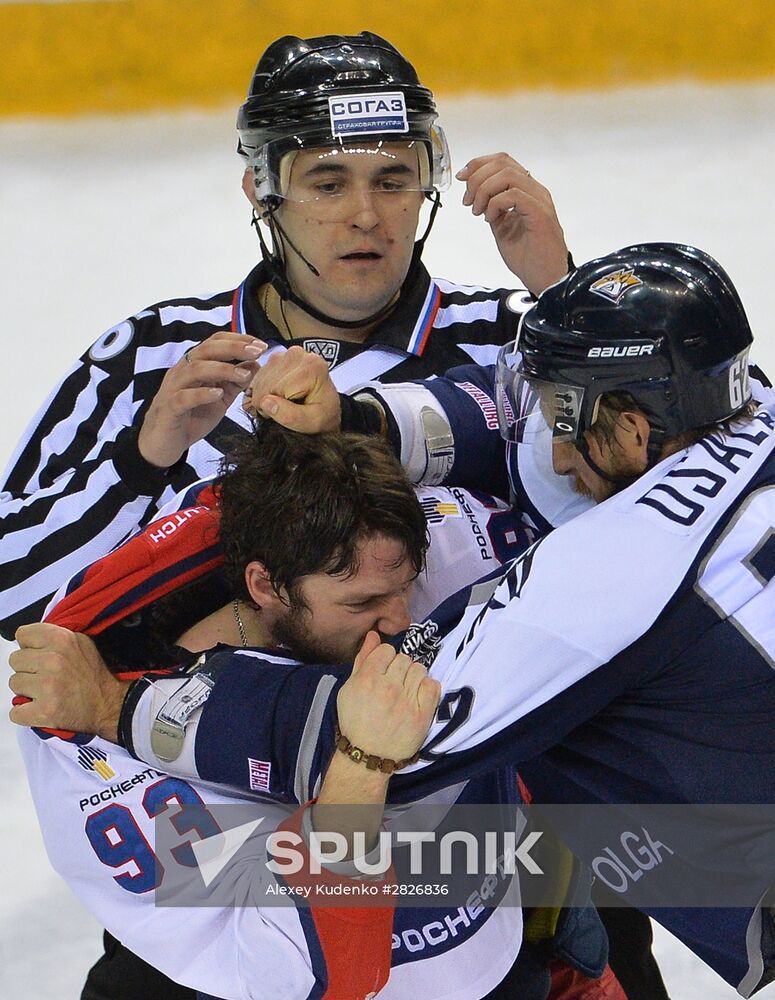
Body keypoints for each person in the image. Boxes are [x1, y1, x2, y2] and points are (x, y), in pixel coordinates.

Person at [29, 242, 775, 997]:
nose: (549, 452)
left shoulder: (611, 580)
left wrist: (117, 705)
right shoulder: (753, 406)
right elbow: (498, 416)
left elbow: (389, 726)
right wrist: (354, 417)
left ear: (633, 426)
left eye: (564, 419)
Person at [12, 423, 617, 1000]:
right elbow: (315, 967)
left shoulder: (420, 552)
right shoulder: (116, 766)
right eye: (363, 602)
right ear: (266, 586)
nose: (401, 619)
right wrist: (361, 762)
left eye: (407, 585)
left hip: (511, 946)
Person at [0, 29, 571, 640]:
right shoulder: (156, 355)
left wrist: (564, 292)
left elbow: (656, 514)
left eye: (392, 179)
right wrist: (142, 462)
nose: (367, 215)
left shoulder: (514, 337)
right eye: (328, 184)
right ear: (260, 191)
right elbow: (11, 594)